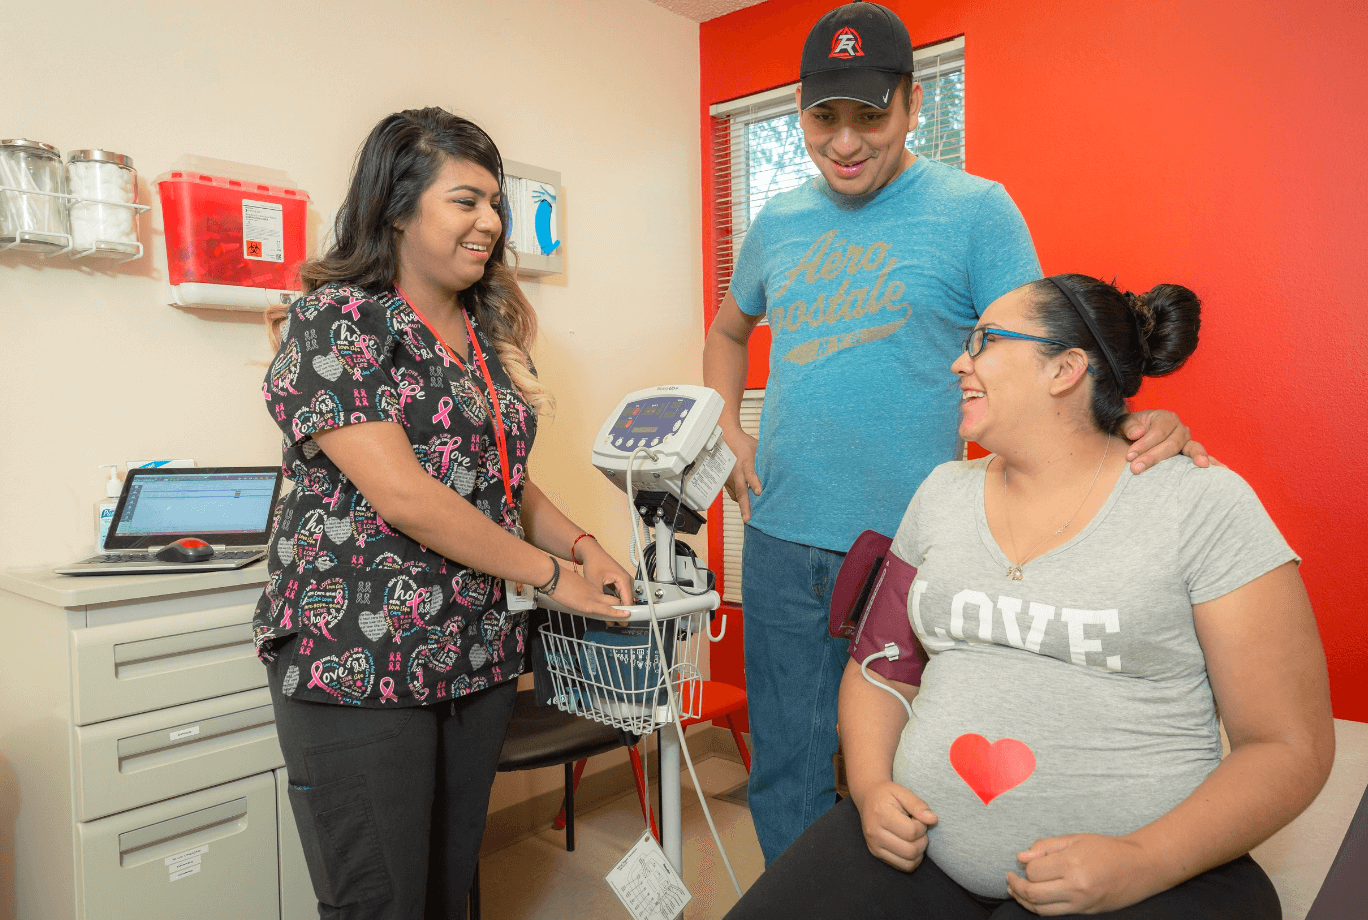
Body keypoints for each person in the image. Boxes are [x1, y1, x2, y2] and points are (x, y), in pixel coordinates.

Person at [702, 1, 1210, 865]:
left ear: (912, 104)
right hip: (783, 534)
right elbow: (725, 333)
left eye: (870, 114)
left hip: (914, 545)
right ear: (801, 110)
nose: (846, 140)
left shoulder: (976, 211)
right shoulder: (777, 222)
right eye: (825, 116)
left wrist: (1131, 424)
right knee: (784, 764)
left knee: (906, 769)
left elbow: (1040, 347)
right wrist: (727, 435)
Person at [723, 273, 1334, 919]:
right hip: (920, 856)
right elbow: (881, 672)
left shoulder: (1201, 504)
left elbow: (1286, 745)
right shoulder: (941, 493)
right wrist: (873, 788)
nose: (960, 361)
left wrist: (1142, 861)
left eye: (984, 341)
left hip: (1147, 876)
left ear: (1066, 368)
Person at [253, 107, 633, 919]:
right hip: (358, 657)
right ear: (397, 206)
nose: (490, 223)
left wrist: (585, 543)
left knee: (445, 890)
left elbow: (499, 479)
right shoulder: (340, 320)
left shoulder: (479, 333)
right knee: (381, 902)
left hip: (472, 653)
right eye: (466, 200)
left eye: (495, 203)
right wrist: (551, 576)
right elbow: (404, 493)